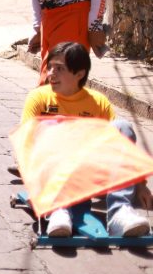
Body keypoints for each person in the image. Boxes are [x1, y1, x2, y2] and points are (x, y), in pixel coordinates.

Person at [20, 41, 152, 237]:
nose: (50, 74)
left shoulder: (98, 102)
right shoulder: (38, 98)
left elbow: (121, 146)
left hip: (88, 174)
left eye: (59, 69)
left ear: (79, 74)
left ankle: (119, 213)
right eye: (50, 67)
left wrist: (140, 185)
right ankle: (58, 210)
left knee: (122, 127)